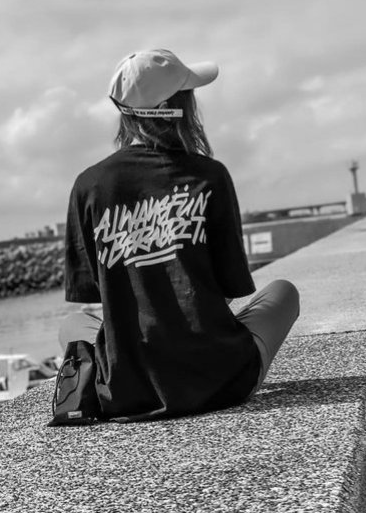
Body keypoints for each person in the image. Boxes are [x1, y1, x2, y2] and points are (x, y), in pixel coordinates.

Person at [59, 48, 300, 421]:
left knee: (72, 326)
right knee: (285, 292)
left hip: (127, 390)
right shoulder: (209, 176)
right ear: (176, 108)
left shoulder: (88, 185)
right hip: (220, 381)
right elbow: (231, 287)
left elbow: (97, 295)